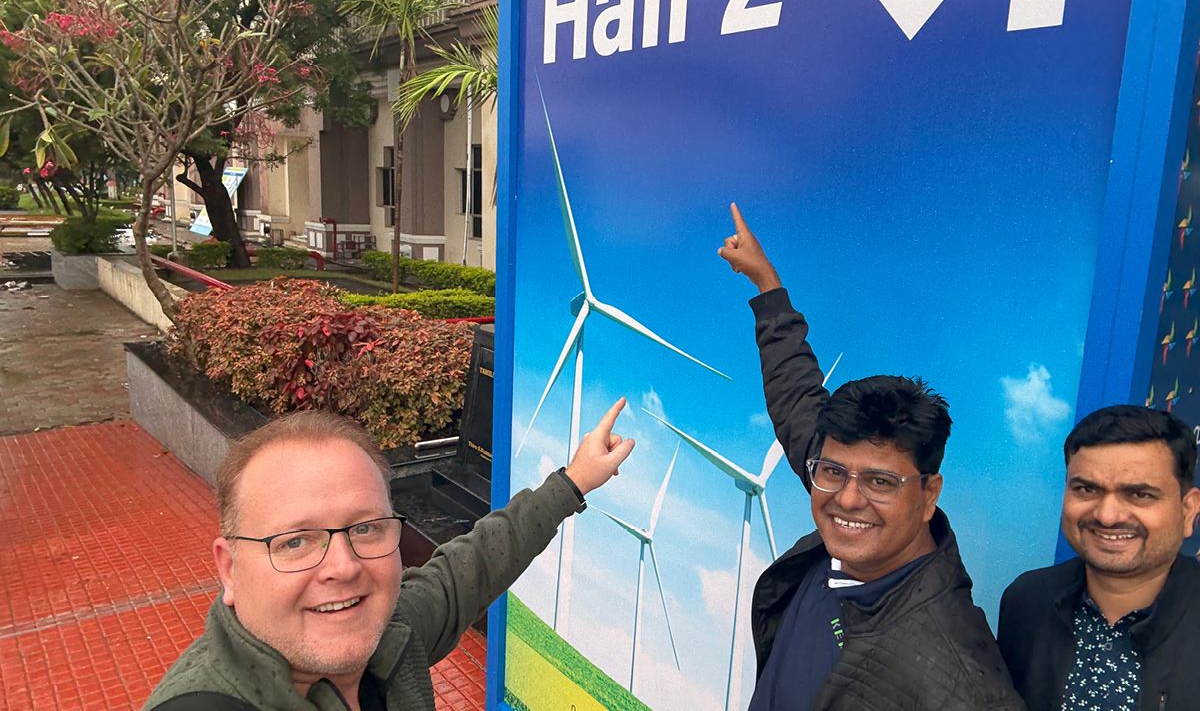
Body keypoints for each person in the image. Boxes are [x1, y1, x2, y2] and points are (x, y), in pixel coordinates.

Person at [719, 202, 1022, 710]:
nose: (848, 499)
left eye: (881, 482)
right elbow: (797, 396)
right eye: (833, 471)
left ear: (929, 494)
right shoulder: (842, 493)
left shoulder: (960, 679)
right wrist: (768, 287)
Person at [143, 401, 636, 711]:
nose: (343, 566)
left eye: (367, 528)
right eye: (295, 541)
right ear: (230, 570)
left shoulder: (392, 638)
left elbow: (473, 566)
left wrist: (573, 482)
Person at [997, 405, 1200, 710]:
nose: (1106, 516)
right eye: (1087, 489)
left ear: (1188, 510)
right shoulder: (1026, 602)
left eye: (1139, 494)